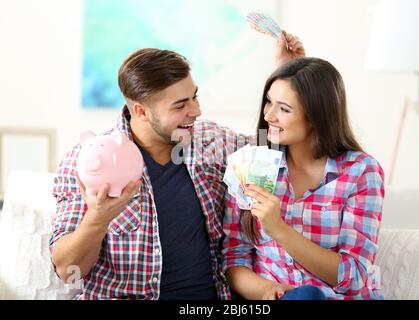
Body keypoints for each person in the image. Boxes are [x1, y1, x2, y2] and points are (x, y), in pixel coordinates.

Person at [49, 33, 305, 299]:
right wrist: (97, 219)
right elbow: (69, 271)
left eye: (194, 97)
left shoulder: (211, 142)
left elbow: (269, 146)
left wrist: (289, 77)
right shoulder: (91, 161)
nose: (196, 111)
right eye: (181, 105)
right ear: (141, 112)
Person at [222, 57, 385, 300]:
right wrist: (267, 289)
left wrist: (279, 230)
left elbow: (355, 276)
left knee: (308, 296)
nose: (268, 115)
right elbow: (234, 256)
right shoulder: (251, 165)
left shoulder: (360, 172)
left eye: (284, 109)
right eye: (269, 102)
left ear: (317, 116)